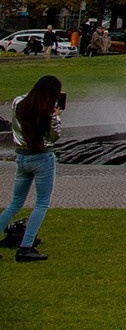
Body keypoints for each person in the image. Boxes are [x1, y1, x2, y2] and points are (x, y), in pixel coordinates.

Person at [2, 75, 63, 261]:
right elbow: (54, 138)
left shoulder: (18, 102)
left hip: (21, 157)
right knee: (42, 203)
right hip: (42, 158)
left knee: (15, 203)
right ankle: (26, 247)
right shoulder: (49, 113)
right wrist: (57, 118)